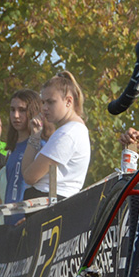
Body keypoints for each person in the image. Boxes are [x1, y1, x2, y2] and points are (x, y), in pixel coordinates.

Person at [22, 72, 91, 200]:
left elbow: (29, 177)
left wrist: (33, 139)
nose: (44, 108)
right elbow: (27, 174)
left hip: (52, 206)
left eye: (50, 102)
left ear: (68, 101)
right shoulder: (71, 131)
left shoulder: (68, 133)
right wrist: (35, 137)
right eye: (43, 102)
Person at [0, 88, 42, 225]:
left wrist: (32, 217)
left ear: (33, 112)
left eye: (22, 110)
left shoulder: (39, 145)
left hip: (29, 223)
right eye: (12, 110)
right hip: (7, 223)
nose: (16, 115)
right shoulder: (12, 148)